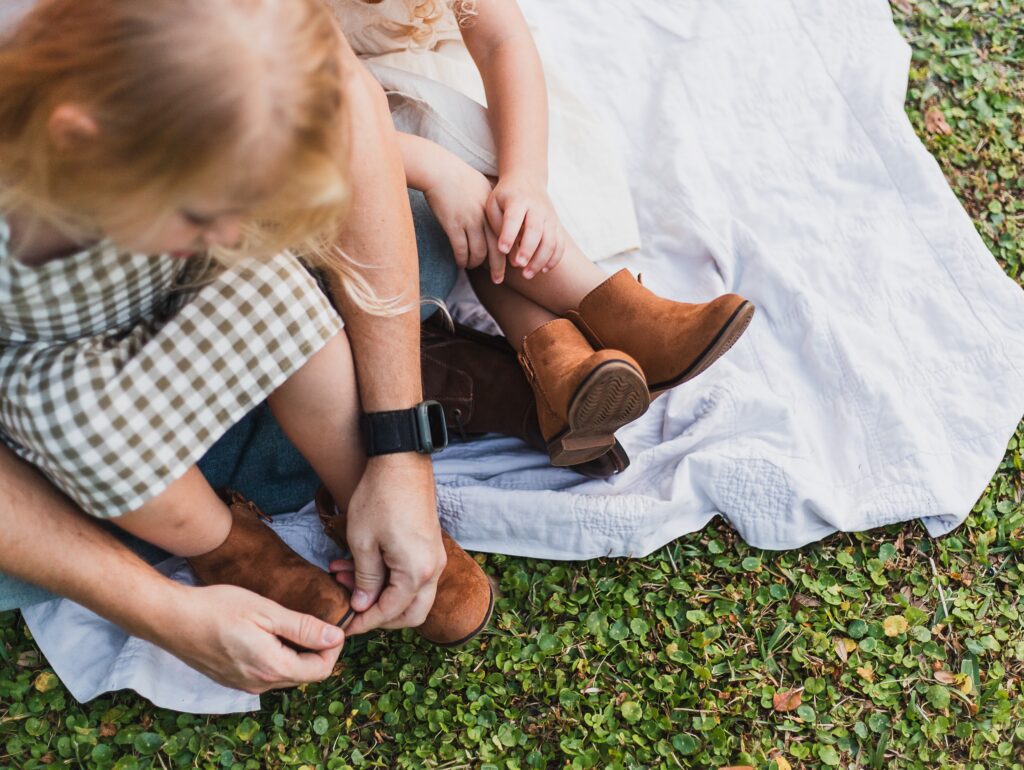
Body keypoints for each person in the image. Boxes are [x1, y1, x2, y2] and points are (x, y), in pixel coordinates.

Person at [0, 0, 464, 691]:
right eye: (201, 212)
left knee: (282, 278)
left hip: (172, 279)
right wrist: (164, 611)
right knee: (75, 424)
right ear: (77, 141)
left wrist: (399, 453)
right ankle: (223, 542)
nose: (221, 229)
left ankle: (358, 484)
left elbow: (339, 107)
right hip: (50, 358)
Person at [331, 0, 756, 467]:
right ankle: (614, 324)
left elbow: (501, 41)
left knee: (485, 172)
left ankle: (562, 371)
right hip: (350, 135)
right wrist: (436, 170)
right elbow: (291, 127)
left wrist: (525, 178)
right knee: (443, 151)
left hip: (449, 84)